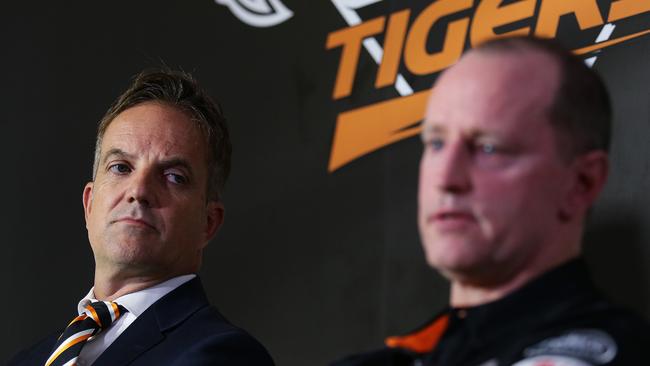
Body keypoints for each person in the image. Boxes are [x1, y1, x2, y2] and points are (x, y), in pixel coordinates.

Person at [334, 36, 650, 365]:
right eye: (436, 143)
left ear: (582, 183)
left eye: (488, 148)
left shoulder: (601, 351)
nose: (446, 179)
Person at [9, 69, 274, 366]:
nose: (139, 190)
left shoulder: (225, 355)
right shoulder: (27, 360)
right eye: (121, 167)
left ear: (208, 223)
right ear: (89, 203)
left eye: (174, 177)